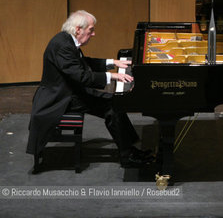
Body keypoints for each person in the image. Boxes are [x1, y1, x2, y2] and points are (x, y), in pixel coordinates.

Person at [26, 10, 152, 168]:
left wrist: (113, 62)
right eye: (91, 30)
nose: (93, 34)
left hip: (69, 92)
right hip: (60, 99)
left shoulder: (66, 39)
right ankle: (127, 156)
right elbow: (82, 77)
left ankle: (129, 150)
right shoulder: (63, 46)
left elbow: (83, 62)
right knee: (113, 105)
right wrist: (112, 76)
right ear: (78, 29)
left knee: (114, 103)